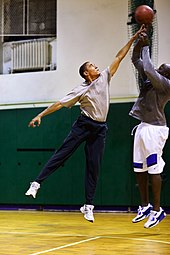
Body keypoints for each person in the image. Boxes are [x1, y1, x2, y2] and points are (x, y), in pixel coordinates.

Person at [25, 25, 144, 223]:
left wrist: (133, 38)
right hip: (83, 125)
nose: (97, 67)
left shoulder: (105, 77)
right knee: (62, 154)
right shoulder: (80, 89)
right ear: (86, 73)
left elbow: (119, 56)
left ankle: (88, 206)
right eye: (92, 66)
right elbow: (60, 104)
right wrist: (41, 115)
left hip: (100, 129)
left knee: (93, 166)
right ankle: (36, 183)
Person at [130, 30, 170, 228]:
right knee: (139, 168)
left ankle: (157, 210)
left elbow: (147, 68)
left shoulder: (165, 84)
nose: (161, 67)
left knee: (154, 169)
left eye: (164, 68)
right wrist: (139, 42)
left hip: (156, 130)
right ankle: (144, 206)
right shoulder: (149, 81)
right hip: (143, 127)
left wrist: (147, 45)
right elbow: (136, 59)